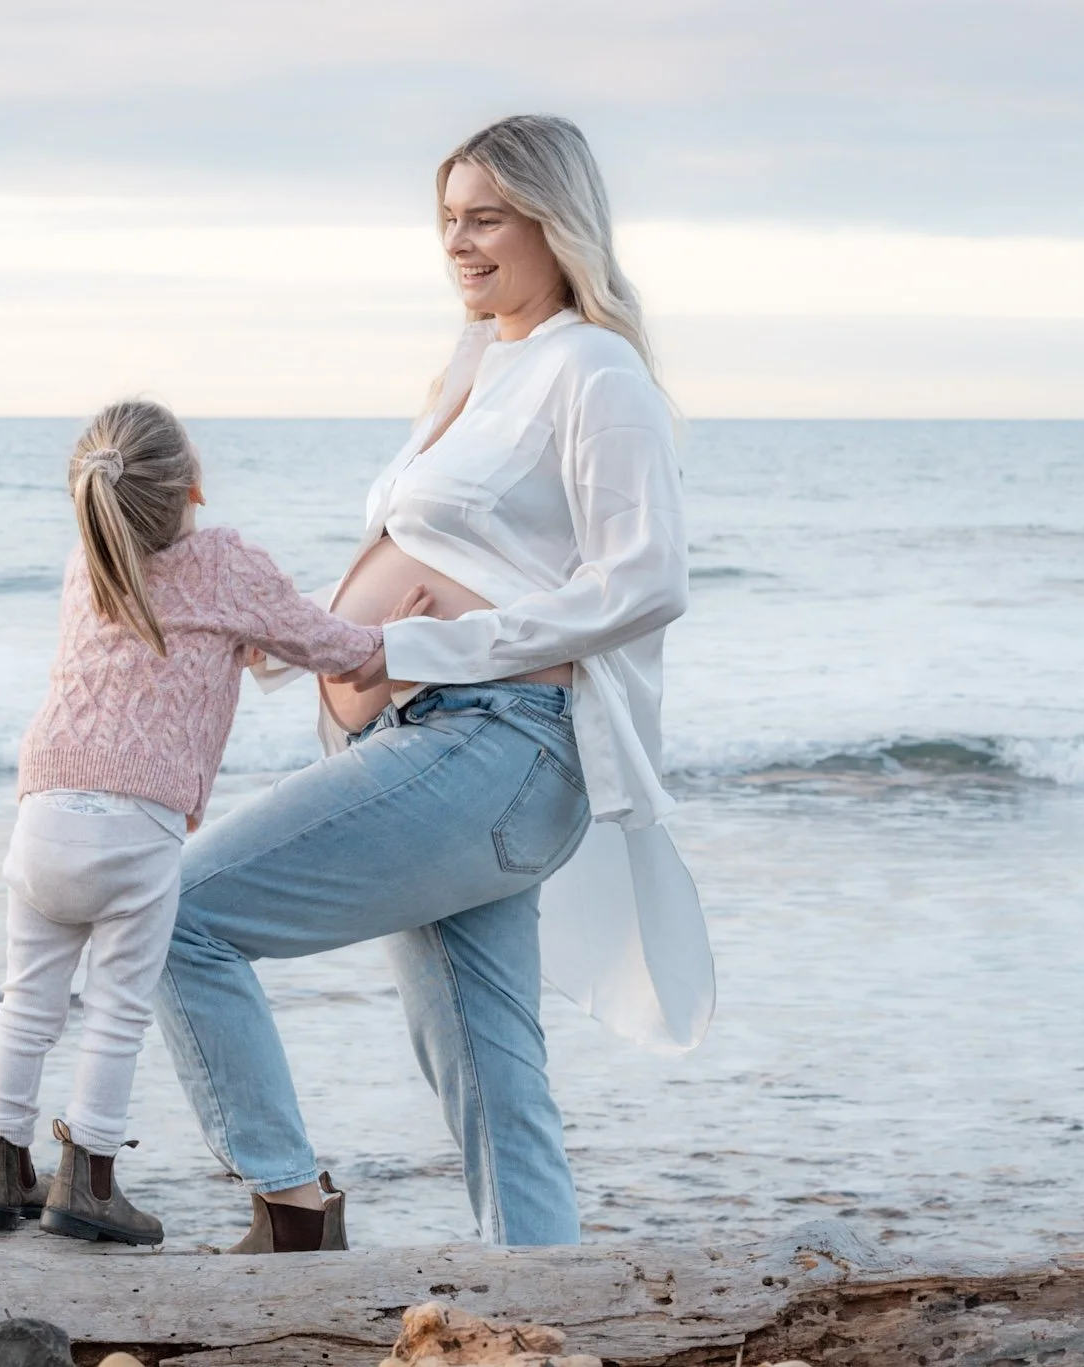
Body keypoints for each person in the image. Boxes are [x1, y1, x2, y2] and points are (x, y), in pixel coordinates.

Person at [154, 114, 715, 1253]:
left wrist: (427, 648)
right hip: (432, 746)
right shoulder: (477, 365)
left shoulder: (592, 370)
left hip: (492, 743)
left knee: (175, 911)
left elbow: (647, 580)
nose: (459, 243)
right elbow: (421, 554)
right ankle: (549, 1306)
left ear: (555, 223)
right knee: (488, 1073)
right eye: (447, 220)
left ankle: (290, 1201)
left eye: (486, 217)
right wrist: (278, 632)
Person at [0, 397, 426, 1246]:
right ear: (194, 489)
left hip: (43, 807)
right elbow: (330, 645)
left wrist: (241, 642)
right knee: (115, 1007)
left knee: (26, 1002)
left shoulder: (89, 563)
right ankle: (90, 1183)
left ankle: (1, 1167)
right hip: (133, 822)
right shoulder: (225, 563)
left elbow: (174, 638)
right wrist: (404, 633)